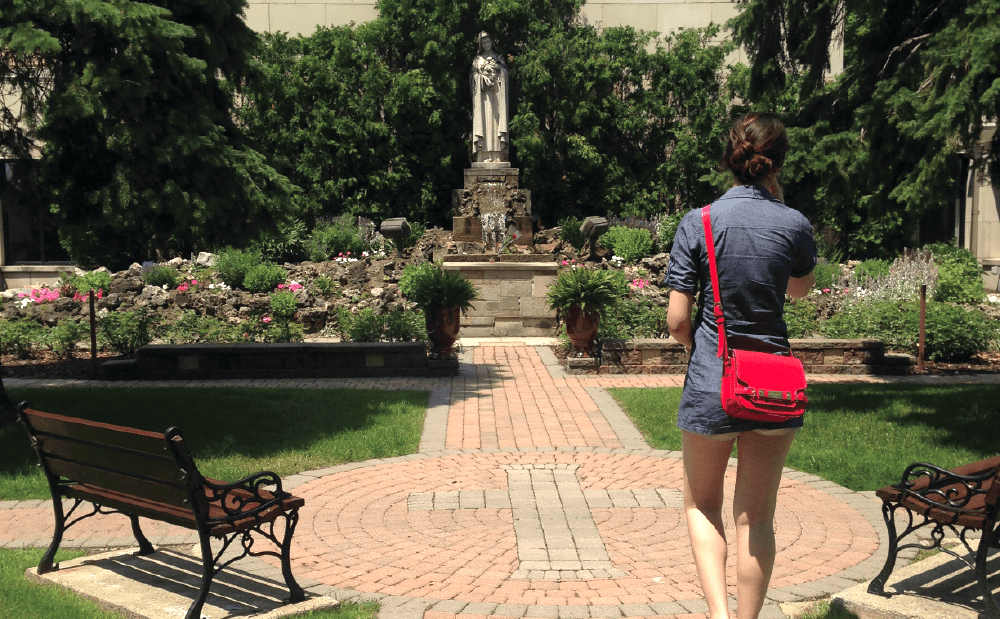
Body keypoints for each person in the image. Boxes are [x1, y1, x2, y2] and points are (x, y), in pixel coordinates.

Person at [663, 112, 816, 619]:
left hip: (712, 380)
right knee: (759, 518)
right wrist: (780, 208)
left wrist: (697, 354)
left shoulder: (699, 221)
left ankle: (719, 617)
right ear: (777, 162)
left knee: (701, 505)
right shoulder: (795, 224)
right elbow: (798, 289)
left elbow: (678, 320)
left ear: (731, 159)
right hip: (773, 385)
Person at [469, 31, 508, 163]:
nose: (486, 44)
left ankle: (497, 155)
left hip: (496, 96)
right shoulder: (477, 60)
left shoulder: (498, 58)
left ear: (492, 42)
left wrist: (498, 69)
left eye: (488, 41)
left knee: (496, 124)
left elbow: (505, 75)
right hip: (483, 99)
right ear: (481, 44)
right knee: (484, 125)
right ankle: (483, 155)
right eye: (483, 42)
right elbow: (472, 78)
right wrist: (482, 79)